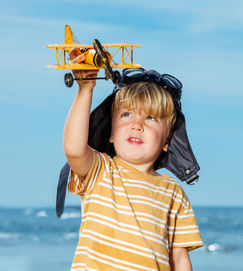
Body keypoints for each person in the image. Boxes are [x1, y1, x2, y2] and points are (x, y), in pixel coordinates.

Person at [62, 61, 203, 270]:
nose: (137, 125)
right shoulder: (101, 170)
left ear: (167, 141)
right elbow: (74, 149)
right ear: (111, 132)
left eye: (150, 118)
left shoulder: (174, 193)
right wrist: (85, 90)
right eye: (126, 115)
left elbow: (179, 258)